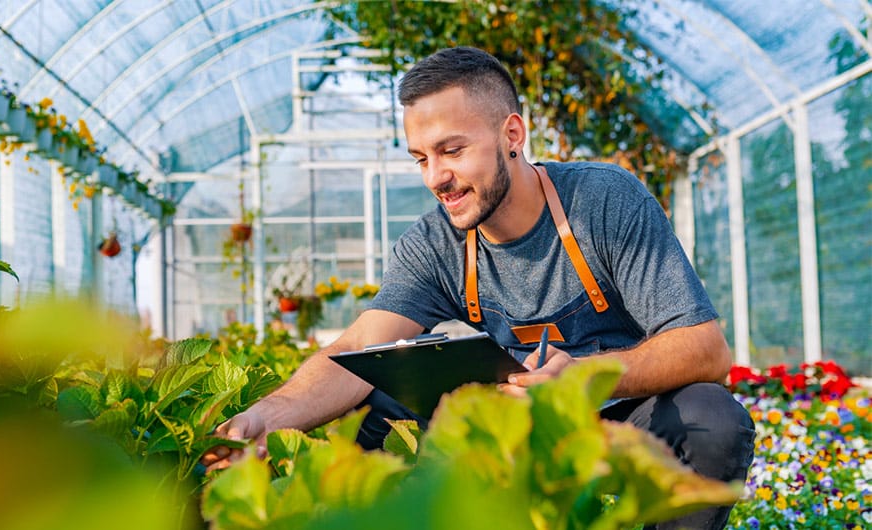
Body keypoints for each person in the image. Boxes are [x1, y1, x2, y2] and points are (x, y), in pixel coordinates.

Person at [202, 46, 755, 529]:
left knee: (713, 418)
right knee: (376, 401)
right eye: (421, 158)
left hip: (615, 415)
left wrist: (583, 376)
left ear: (511, 134)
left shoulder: (604, 202)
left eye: (452, 150)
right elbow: (353, 351)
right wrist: (266, 418)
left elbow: (705, 347)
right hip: (505, 424)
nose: (434, 177)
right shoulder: (434, 243)